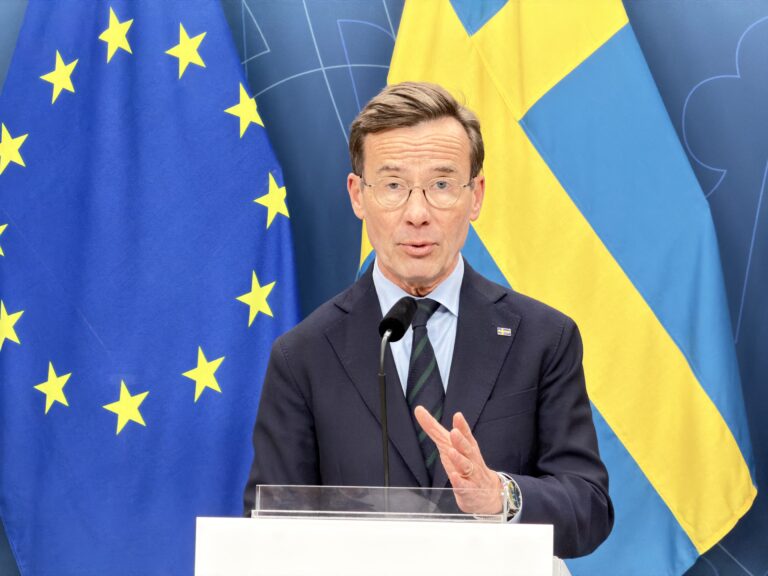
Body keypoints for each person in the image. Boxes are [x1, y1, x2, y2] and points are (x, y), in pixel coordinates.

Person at [244, 82, 613, 558]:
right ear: (358, 196)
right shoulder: (303, 356)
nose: (417, 214)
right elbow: (270, 529)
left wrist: (499, 496)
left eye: (441, 185)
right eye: (393, 186)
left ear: (475, 196)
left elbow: (588, 509)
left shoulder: (543, 338)